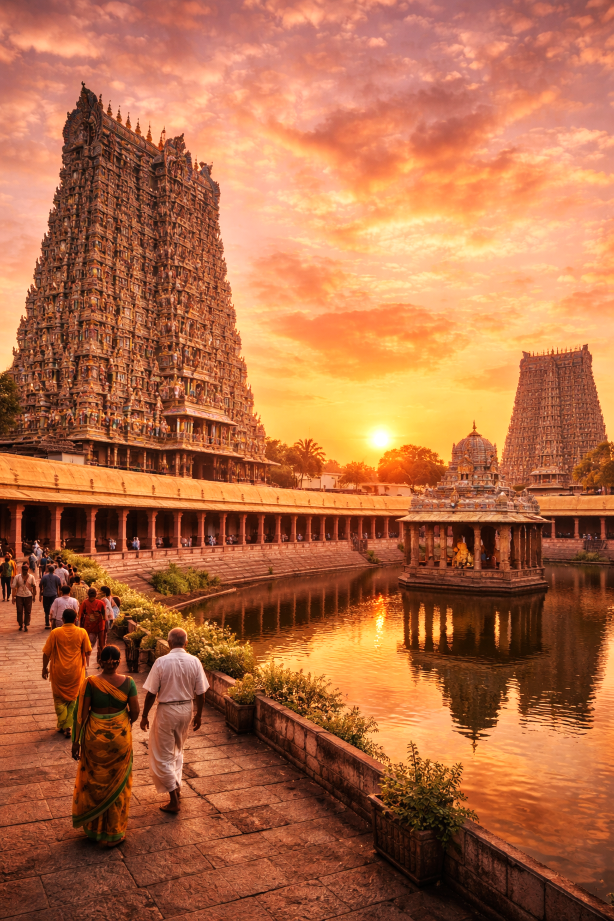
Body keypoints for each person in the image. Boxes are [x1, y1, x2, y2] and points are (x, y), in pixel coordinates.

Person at [72, 645, 139, 846]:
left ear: (100, 661)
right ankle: (114, 832)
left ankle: (94, 830)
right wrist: (121, 721)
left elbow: (82, 714)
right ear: (119, 661)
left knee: (94, 782)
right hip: (120, 739)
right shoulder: (129, 683)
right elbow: (135, 712)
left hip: (95, 738)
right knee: (119, 785)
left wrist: (76, 742)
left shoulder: (91, 683)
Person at [140, 627, 207, 813]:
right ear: (186, 643)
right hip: (187, 708)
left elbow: (151, 693)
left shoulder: (161, 662)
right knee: (178, 749)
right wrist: (199, 714)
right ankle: (176, 786)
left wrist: (144, 715)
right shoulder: (194, 661)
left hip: (167, 710)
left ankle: (174, 799)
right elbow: (201, 693)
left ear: (169, 643)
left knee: (161, 755)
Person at [42, 608, 91, 737]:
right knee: (74, 697)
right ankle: (67, 725)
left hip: (58, 670)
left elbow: (46, 653)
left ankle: (64, 724)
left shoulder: (55, 632)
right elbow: (88, 650)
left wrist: (44, 668)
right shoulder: (82, 632)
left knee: (59, 698)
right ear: (75, 619)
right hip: (76, 670)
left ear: (62, 619)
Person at [79, 587, 107, 666]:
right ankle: (102, 661)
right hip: (100, 625)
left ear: (88, 594)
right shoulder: (101, 603)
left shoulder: (84, 603)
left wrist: (81, 627)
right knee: (101, 644)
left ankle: (85, 662)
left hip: (88, 626)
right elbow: (105, 617)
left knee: (86, 644)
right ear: (96, 594)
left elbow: (81, 616)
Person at [12, 562, 37, 631]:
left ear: (28, 570)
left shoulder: (31, 577)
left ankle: (26, 624)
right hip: (19, 595)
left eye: (26, 570)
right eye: (24, 570)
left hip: (28, 595)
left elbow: (34, 586)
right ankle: (20, 624)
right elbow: (13, 587)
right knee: (19, 610)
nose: (25, 571)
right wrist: (13, 597)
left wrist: (34, 596)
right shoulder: (17, 577)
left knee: (28, 611)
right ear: (22, 570)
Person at [40, 564, 62, 629]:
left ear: (48, 570)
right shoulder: (57, 577)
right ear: (54, 570)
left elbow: (40, 584)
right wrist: (59, 593)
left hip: (46, 594)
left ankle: (47, 622)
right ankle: (53, 622)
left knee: (46, 609)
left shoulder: (44, 577)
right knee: (54, 608)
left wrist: (41, 591)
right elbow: (60, 586)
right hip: (54, 595)